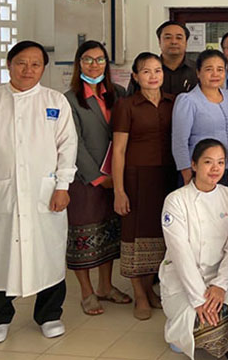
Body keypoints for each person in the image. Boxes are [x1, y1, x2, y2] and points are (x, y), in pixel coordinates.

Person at [0, 40, 77, 343]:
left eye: (35, 64)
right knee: (0, 256)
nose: (28, 69)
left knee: (48, 253)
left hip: (45, 192)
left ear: (43, 69)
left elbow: (67, 146)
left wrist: (63, 185)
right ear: (9, 64)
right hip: (3, 194)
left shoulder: (55, 101)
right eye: (22, 62)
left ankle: (49, 314)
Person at [160, 139, 228, 359]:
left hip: (219, 275)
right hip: (182, 280)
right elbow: (181, 255)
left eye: (220, 162)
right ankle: (179, 331)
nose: (215, 169)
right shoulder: (176, 201)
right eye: (208, 162)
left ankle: (209, 335)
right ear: (194, 165)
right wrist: (199, 300)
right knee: (198, 313)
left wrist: (219, 285)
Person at [64, 40, 131, 316]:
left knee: (109, 232)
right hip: (85, 180)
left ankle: (105, 286)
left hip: (116, 177)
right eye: (88, 59)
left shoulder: (119, 93)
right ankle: (87, 291)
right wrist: (97, 177)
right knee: (83, 234)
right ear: (78, 63)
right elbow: (73, 143)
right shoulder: (68, 99)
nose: (94, 65)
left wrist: (116, 179)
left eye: (100, 59)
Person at [112, 52, 178, 320]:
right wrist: (119, 190)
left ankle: (151, 290)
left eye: (157, 70)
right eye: (146, 71)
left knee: (161, 237)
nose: (153, 76)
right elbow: (118, 151)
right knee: (136, 237)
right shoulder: (126, 105)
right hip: (136, 178)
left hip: (168, 178)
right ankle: (139, 294)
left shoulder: (173, 103)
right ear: (136, 77)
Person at [172, 49, 228, 188]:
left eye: (220, 69)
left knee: (224, 209)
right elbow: (179, 140)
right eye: (209, 69)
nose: (215, 74)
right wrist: (186, 171)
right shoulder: (188, 100)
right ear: (198, 72)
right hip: (200, 170)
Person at [128, 21, 197, 96]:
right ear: (159, 42)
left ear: (186, 42)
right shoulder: (144, 70)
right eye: (168, 37)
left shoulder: (198, 71)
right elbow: (130, 99)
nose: (174, 42)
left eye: (179, 38)